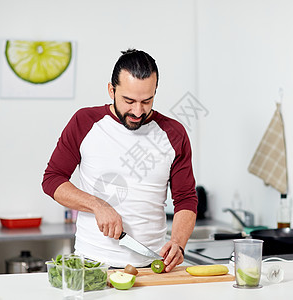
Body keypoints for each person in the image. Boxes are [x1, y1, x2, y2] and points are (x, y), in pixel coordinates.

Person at [42, 49, 198, 272]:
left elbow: (186, 198)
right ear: (111, 90)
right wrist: (97, 205)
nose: (137, 111)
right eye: (129, 100)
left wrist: (178, 243)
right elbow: (52, 180)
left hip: (151, 266)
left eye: (147, 100)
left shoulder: (174, 133)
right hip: (91, 265)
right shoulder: (84, 122)